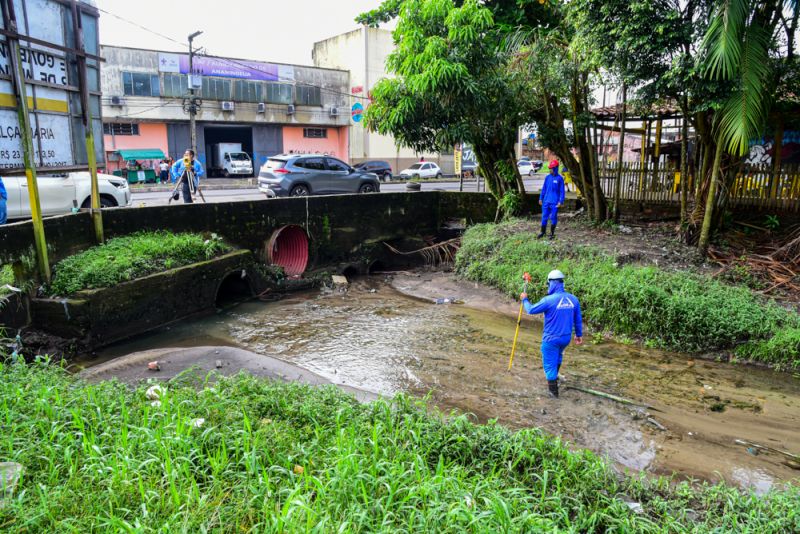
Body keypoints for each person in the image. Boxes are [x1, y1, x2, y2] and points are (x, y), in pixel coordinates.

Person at [520, 269, 583, 398]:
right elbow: (578, 319)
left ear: (553, 283)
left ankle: (553, 395)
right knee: (558, 356)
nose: (548, 287)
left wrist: (524, 300)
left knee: (549, 365)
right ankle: (555, 378)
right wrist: (579, 334)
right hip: (566, 339)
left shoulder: (548, 300)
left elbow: (531, 310)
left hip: (551, 340)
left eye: (548, 284)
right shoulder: (573, 299)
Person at [538, 159, 565, 239]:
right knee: (544, 217)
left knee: (553, 217)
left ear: (556, 168)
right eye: (550, 168)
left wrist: (561, 201)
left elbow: (562, 191)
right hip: (546, 201)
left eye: (552, 168)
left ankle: (552, 234)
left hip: (555, 202)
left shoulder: (560, 179)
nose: (550, 170)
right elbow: (544, 189)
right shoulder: (547, 178)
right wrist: (541, 198)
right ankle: (542, 232)